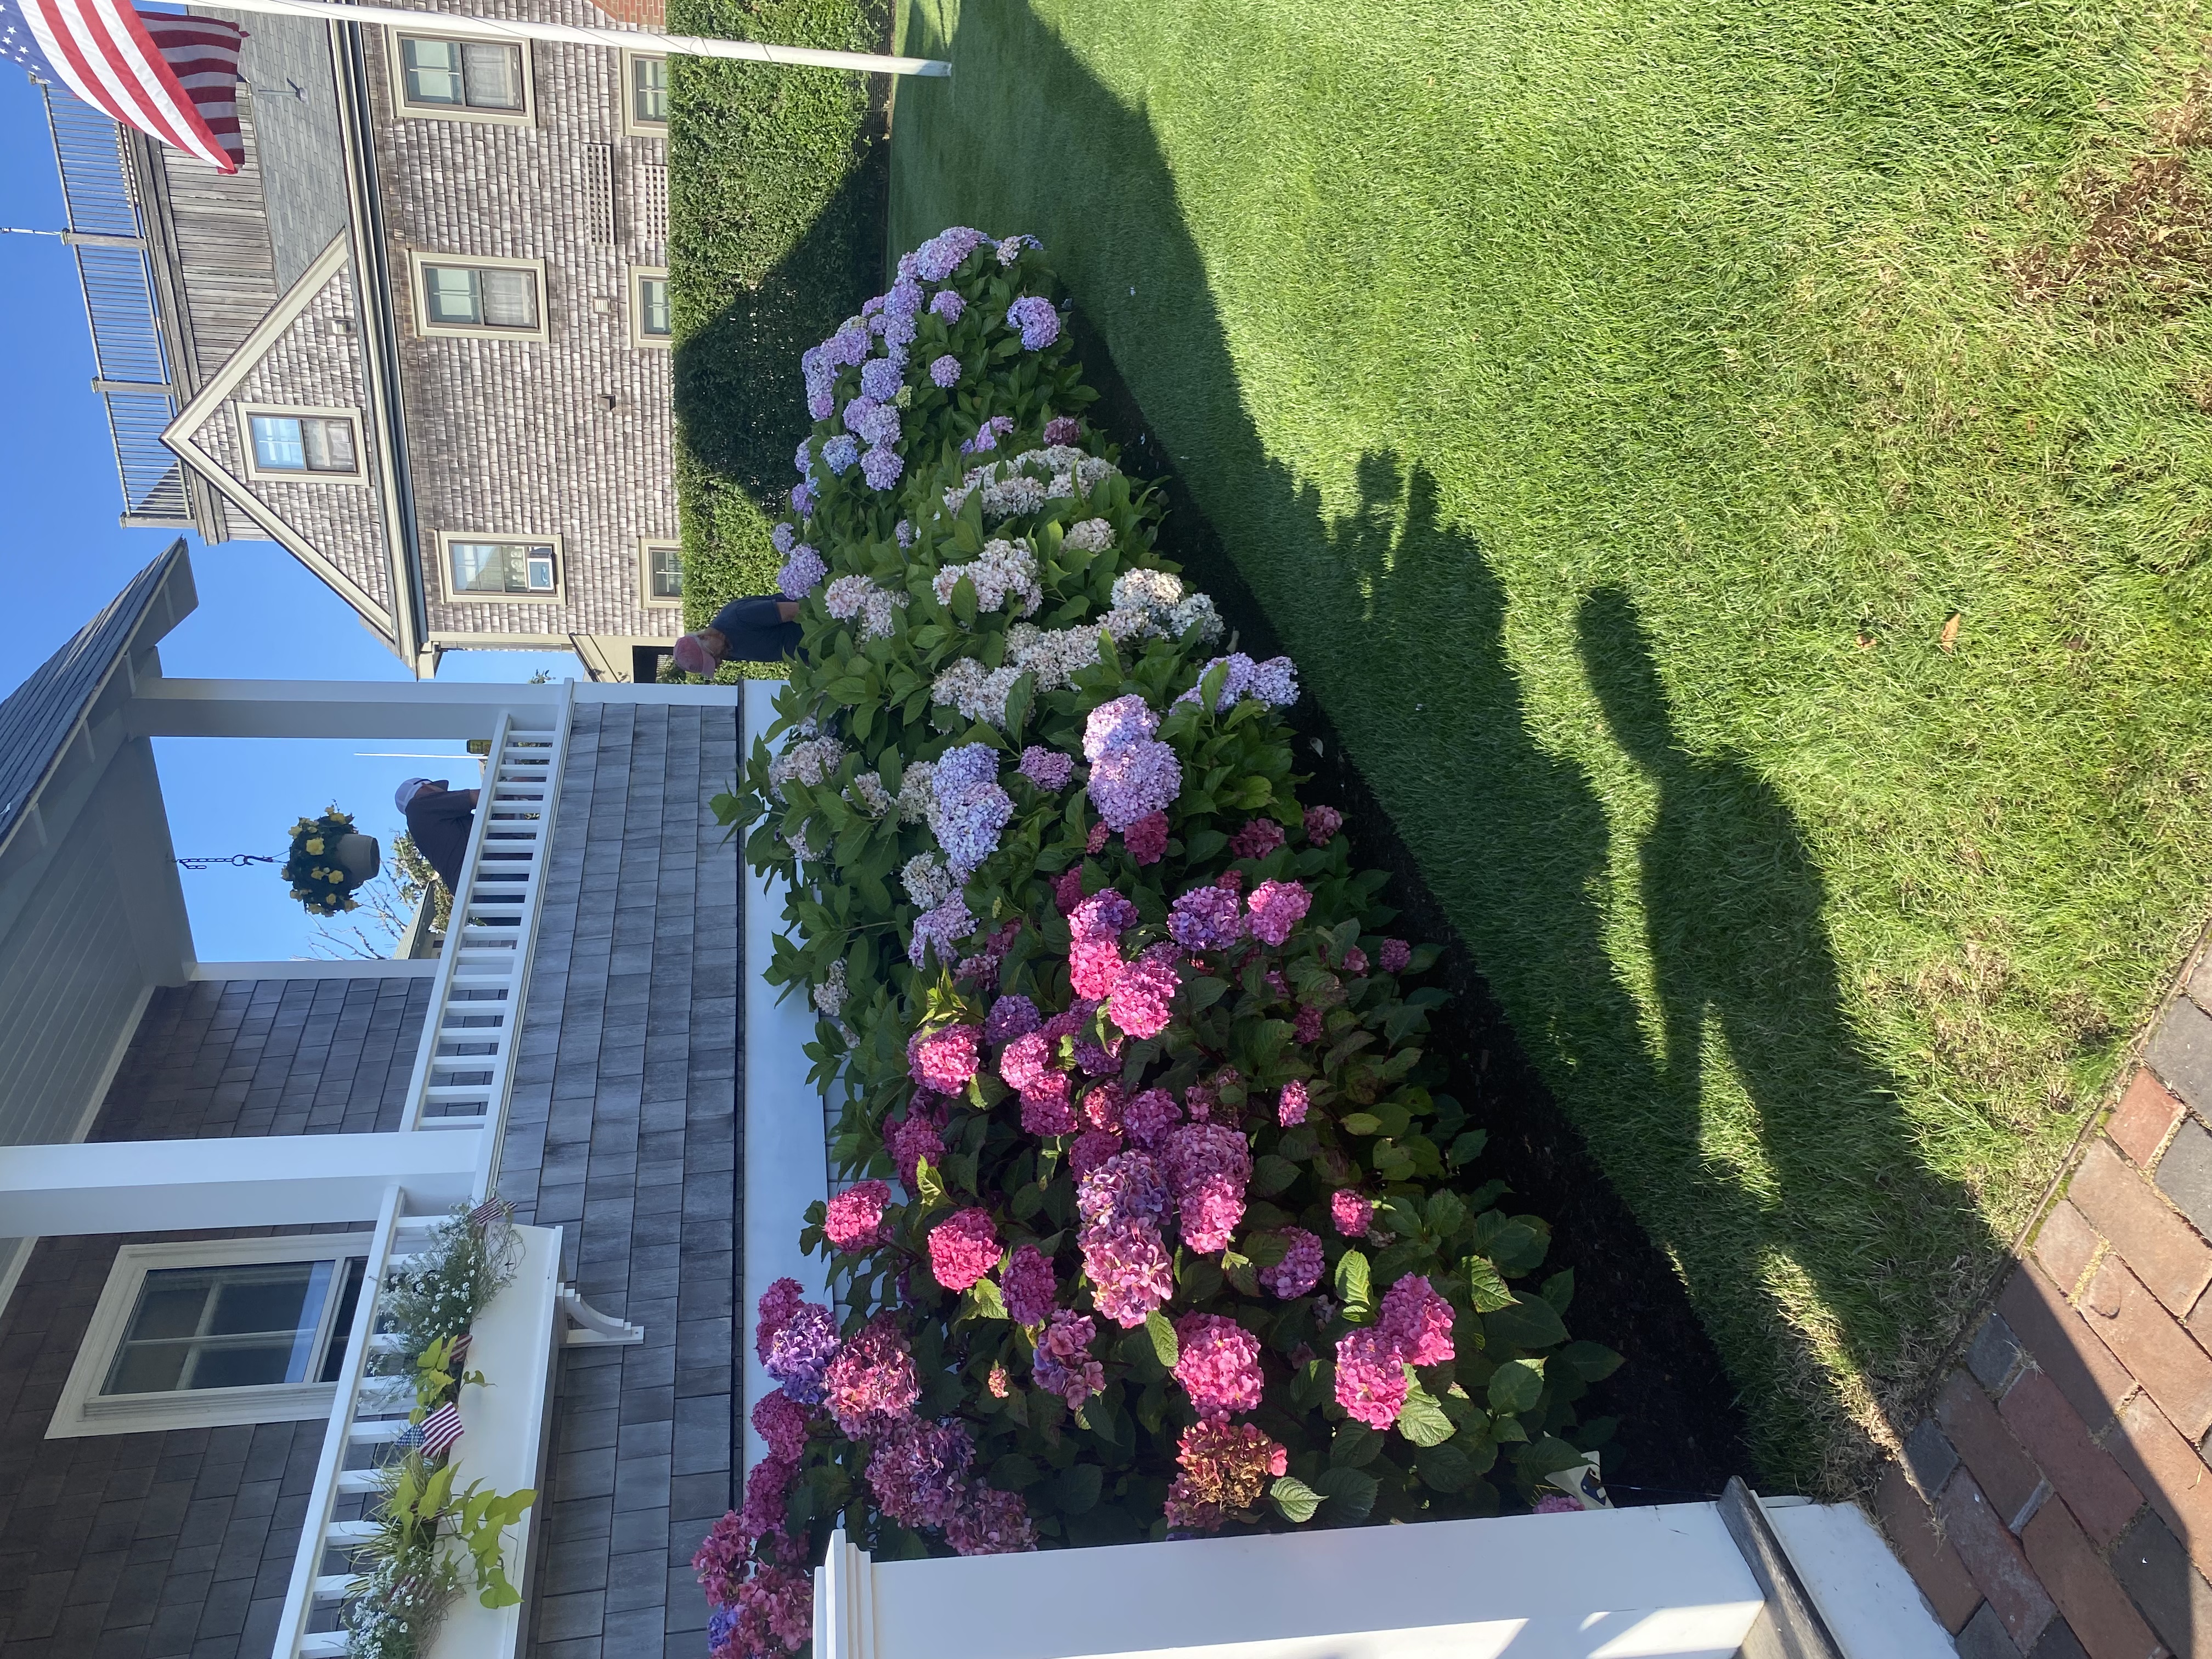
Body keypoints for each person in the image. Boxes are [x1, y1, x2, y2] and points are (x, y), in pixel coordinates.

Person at [672, 596, 801, 675]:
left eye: (713, 657)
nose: (719, 662)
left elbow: (799, 610)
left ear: (704, 637)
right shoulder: (726, 651)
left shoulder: (738, 616)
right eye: (713, 665)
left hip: (819, 626)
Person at [396, 777, 478, 892]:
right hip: (486, 874)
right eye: (437, 788)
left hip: (478, 886)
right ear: (426, 787)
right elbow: (481, 797)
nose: (443, 792)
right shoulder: (419, 806)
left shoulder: (430, 825)